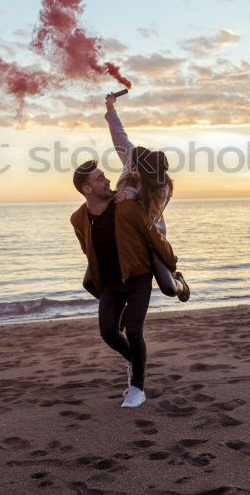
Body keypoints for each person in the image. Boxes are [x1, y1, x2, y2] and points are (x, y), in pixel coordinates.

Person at [70, 160, 178, 408]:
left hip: (138, 277)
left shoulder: (127, 208)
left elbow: (155, 237)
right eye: (100, 178)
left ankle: (137, 389)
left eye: (104, 176)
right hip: (110, 282)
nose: (107, 180)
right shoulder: (78, 218)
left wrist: (172, 265)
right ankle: (134, 360)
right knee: (108, 331)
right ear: (87, 189)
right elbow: (87, 249)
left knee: (133, 330)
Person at [102, 92, 189, 302]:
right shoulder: (131, 157)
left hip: (150, 236)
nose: (136, 175)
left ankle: (180, 280)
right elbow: (118, 133)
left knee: (169, 288)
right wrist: (110, 107)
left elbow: (144, 215)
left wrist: (128, 192)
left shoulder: (162, 188)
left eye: (143, 177)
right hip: (124, 232)